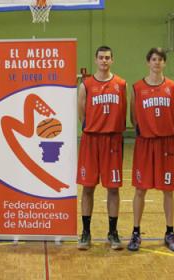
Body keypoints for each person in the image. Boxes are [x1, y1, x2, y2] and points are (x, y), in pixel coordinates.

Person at [127, 47, 174, 252]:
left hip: (166, 143)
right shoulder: (137, 87)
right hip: (145, 142)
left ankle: (169, 232)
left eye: (160, 59)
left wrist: (164, 129)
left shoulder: (173, 86)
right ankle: (135, 232)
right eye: (153, 59)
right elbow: (133, 118)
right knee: (140, 189)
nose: (157, 63)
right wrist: (148, 129)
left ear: (164, 63)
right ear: (148, 62)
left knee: (168, 190)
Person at [76, 46, 127, 250]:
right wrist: (94, 127)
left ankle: (112, 232)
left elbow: (124, 112)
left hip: (113, 141)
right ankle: (86, 232)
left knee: (113, 188)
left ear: (112, 60)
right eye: (101, 58)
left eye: (107, 58)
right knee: (88, 187)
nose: (104, 61)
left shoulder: (121, 84)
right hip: (91, 140)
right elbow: (81, 114)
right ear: (96, 60)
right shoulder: (86, 85)